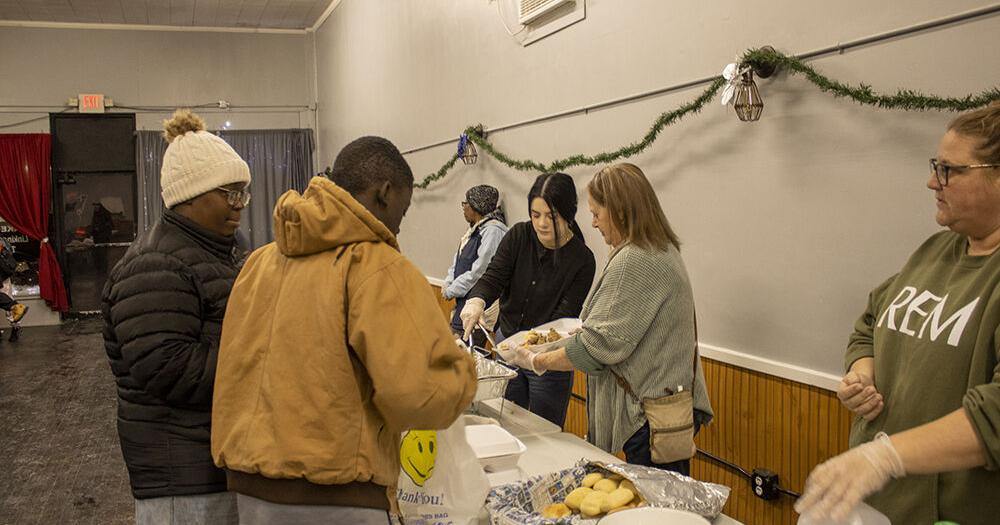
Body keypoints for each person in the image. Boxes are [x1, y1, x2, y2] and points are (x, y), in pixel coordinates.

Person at [211, 136, 477, 524]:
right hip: (339, 493)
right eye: (402, 212)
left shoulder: (258, 263)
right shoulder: (377, 266)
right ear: (385, 193)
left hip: (252, 491)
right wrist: (462, 373)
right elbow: (420, 395)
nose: (398, 228)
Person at [796, 102, 1000, 525]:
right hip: (881, 507)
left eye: (949, 170)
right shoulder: (935, 250)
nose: (932, 182)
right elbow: (870, 322)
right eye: (935, 166)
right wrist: (862, 372)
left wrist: (885, 456)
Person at [505, 163, 713, 475]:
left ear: (619, 211)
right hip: (662, 409)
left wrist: (537, 361)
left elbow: (596, 348)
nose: (593, 222)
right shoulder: (659, 248)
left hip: (648, 418)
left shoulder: (637, 259)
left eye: (597, 213)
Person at [101, 109, 250, 525]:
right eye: (230, 193)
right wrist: (263, 356)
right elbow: (168, 367)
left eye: (243, 193)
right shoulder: (155, 264)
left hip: (212, 464)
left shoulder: (215, 252)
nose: (240, 205)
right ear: (191, 195)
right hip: (181, 478)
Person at [461, 172, 596, 427]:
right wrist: (476, 300)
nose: (542, 223)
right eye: (536, 215)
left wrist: (533, 352)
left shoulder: (582, 260)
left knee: (544, 428)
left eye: (551, 216)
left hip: (547, 357)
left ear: (568, 214)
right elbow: (493, 277)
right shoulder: (519, 236)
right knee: (504, 418)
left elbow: (561, 319)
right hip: (506, 343)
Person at [443, 184, 508, 347]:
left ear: (476, 207)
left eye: (466, 203)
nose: (463, 207)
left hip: (478, 307)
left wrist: (452, 290)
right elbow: (457, 260)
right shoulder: (474, 230)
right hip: (462, 302)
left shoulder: (493, 231)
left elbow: (480, 271)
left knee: (469, 356)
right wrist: (447, 282)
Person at [1, 236, 28, 341]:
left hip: (2, 277)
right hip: (4, 276)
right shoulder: (3, 240)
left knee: (7, 302)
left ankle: (16, 326)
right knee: (7, 300)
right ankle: (16, 327)